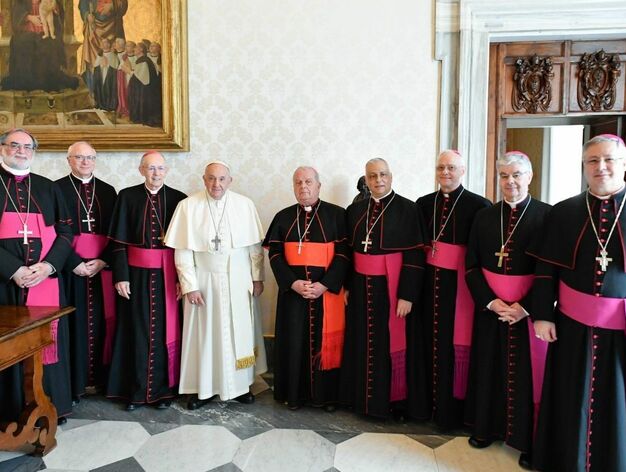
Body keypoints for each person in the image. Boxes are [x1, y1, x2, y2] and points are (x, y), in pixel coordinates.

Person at [530, 134, 626, 471]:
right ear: (584, 166)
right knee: (570, 396)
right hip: (572, 325)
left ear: (623, 162)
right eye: (593, 161)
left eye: (609, 159)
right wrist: (542, 315)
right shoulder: (565, 212)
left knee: (617, 403)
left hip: (621, 332)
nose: (601, 167)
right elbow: (545, 270)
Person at [463, 151, 551, 469]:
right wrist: (490, 301)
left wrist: (525, 307)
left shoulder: (547, 216)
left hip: (527, 314)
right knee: (489, 369)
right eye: (504, 175)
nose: (510, 181)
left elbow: (550, 271)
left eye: (516, 175)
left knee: (527, 378)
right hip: (491, 310)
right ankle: (486, 429)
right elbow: (471, 266)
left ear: (529, 177)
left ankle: (528, 441)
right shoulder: (485, 216)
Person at [164, 161, 266, 409]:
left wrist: (257, 277)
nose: (216, 184)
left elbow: (254, 249)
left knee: (238, 332)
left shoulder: (245, 205)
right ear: (203, 179)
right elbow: (183, 251)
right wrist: (189, 285)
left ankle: (241, 386)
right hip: (204, 281)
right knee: (205, 335)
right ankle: (204, 389)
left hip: (239, 279)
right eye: (211, 179)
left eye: (221, 179)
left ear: (230, 180)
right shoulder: (188, 207)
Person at [407, 150, 491, 430]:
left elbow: (481, 252)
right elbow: (417, 247)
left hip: (460, 289)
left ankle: (452, 412)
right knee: (426, 342)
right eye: (441, 167)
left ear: (462, 171)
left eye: (452, 168)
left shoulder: (480, 206)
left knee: (453, 347)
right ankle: (424, 407)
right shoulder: (423, 203)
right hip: (428, 285)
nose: (445, 172)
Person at [340, 158, 424, 418]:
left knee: (388, 343)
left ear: (391, 176)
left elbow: (415, 256)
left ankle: (391, 402)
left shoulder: (408, 209)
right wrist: (345, 286)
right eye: (373, 176)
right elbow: (347, 252)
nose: (378, 180)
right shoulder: (354, 211)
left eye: (383, 175)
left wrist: (407, 295)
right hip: (359, 287)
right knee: (361, 341)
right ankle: (360, 400)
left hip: (391, 289)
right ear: (366, 179)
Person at [0, 128, 74, 425]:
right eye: (14, 145)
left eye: (27, 146)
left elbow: (66, 233)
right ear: (2, 148)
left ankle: (48, 406)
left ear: (34, 151)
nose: (21, 151)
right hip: (4, 285)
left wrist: (49, 266)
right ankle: (9, 410)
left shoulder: (47, 187)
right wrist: (14, 270)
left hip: (45, 281)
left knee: (47, 342)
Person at [263, 166, 350, 410]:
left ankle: (327, 397)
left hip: (326, 294)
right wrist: (293, 283)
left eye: (309, 181)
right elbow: (275, 255)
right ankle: (294, 395)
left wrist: (324, 284)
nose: (304, 186)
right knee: (294, 341)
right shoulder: (283, 217)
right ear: (293, 187)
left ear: (319, 186)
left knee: (327, 342)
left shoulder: (337, 215)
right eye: (298, 182)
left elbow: (344, 254)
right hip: (294, 294)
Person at [106, 151, 186, 410]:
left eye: (160, 168)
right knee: (136, 331)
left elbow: (184, 247)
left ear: (167, 171)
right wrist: (121, 277)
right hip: (136, 277)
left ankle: (163, 392)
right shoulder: (127, 197)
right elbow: (117, 242)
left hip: (168, 276)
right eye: (151, 168)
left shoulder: (179, 200)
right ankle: (135, 392)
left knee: (165, 332)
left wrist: (181, 279)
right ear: (141, 170)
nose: (156, 173)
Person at [55, 142, 117, 403]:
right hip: (72, 270)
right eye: (79, 157)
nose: (85, 162)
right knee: (74, 324)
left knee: (106, 322)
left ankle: (102, 380)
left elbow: (117, 232)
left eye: (89, 157)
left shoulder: (108, 191)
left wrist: (103, 260)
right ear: (69, 160)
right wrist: (73, 262)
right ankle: (75, 383)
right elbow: (53, 234)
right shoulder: (55, 189)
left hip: (101, 270)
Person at [1, 0, 79, 91]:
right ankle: (26, 82)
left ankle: (45, 82)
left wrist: (54, 7)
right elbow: (16, 14)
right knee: (23, 43)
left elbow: (58, 11)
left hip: (45, 30)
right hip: (26, 31)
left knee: (49, 44)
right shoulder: (21, 2)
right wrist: (28, 17)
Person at [79, 0, 128, 92]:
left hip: (113, 26)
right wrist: (86, 14)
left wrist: (113, 5)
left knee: (114, 63)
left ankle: (112, 94)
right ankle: (94, 93)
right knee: (93, 62)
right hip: (93, 27)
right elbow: (83, 3)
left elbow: (123, 4)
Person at [128, 42, 162, 127]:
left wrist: (128, 71)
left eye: (136, 48)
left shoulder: (144, 60)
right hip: (142, 89)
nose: (134, 49)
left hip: (145, 90)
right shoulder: (142, 59)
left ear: (141, 50)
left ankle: (141, 117)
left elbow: (142, 77)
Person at [92, 37, 119, 111]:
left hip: (109, 75)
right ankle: (100, 103)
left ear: (109, 44)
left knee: (108, 88)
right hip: (101, 74)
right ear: (101, 45)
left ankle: (109, 104)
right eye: (103, 43)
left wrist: (107, 65)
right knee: (100, 87)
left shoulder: (113, 55)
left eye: (106, 42)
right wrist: (101, 65)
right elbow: (96, 67)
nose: (105, 44)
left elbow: (115, 67)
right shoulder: (99, 55)